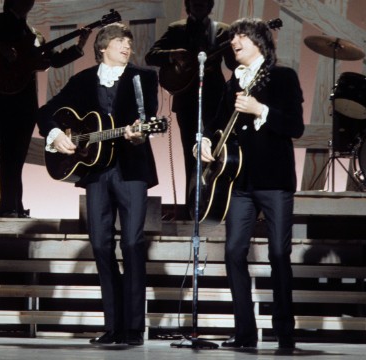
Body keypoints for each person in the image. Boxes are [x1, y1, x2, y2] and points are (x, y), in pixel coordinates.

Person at [37, 23, 159, 346]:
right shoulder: (82, 81)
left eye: (129, 42)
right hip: (95, 173)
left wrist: (139, 132)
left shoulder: (143, 78)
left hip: (131, 170)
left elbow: (148, 115)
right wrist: (56, 135)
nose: (126, 46)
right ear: (102, 47)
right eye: (120, 41)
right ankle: (113, 325)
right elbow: (46, 111)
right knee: (101, 245)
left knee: (132, 245)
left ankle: (133, 328)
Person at [195, 18, 304, 349]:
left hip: (274, 180)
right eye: (232, 37)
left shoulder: (282, 76)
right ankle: (244, 333)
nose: (234, 41)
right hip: (238, 184)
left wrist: (261, 110)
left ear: (259, 42)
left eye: (241, 36)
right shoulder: (232, 82)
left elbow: (295, 127)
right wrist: (202, 141)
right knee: (233, 252)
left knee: (278, 254)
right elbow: (215, 124)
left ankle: (285, 333)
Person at [0, 0, 90, 217]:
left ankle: (16, 207)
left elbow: (53, 60)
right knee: (9, 153)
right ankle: (8, 207)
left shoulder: (34, 33)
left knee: (18, 154)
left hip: (26, 99)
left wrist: (79, 46)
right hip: (4, 95)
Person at [145, 0, 237, 215]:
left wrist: (233, 46)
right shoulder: (177, 28)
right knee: (191, 151)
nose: (198, 4)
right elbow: (151, 56)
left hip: (215, 98)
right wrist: (172, 55)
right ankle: (192, 207)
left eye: (203, 1)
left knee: (219, 149)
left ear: (209, 5)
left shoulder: (222, 30)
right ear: (188, 5)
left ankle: (219, 203)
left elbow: (232, 65)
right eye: (194, 1)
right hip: (186, 97)